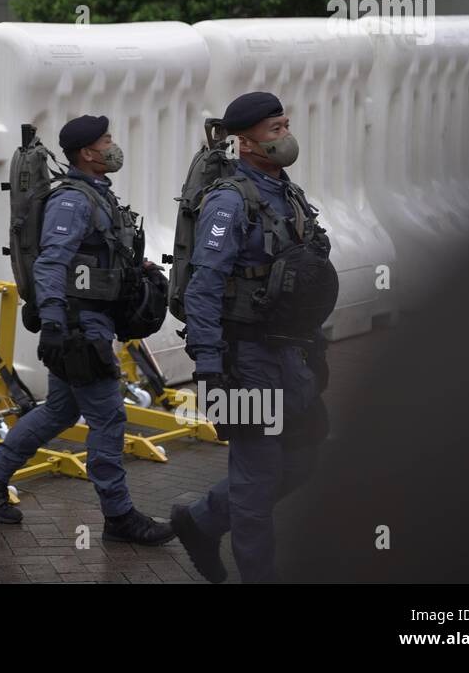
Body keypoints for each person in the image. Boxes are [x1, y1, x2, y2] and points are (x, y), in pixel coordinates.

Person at [0, 115, 175, 546]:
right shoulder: (73, 201)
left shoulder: (97, 195)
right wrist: (56, 325)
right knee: (109, 416)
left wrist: (134, 269)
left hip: (90, 318)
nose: (113, 145)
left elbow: (92, 256)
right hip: (80, 325)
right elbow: (51, 262)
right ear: (87, 153)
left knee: (60, 410)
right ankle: (119, 517)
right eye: (106, 140)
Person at [170, 91, 336, 583]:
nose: (286, 135)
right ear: (245, 142)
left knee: (304, 457)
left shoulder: (286, 191)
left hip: (291, 352)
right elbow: (203, 286)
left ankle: (199, 522)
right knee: (256, 478)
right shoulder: (228, 200)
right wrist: (209, 368)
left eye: (286, 125)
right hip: (245, 358)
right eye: (275, 129)